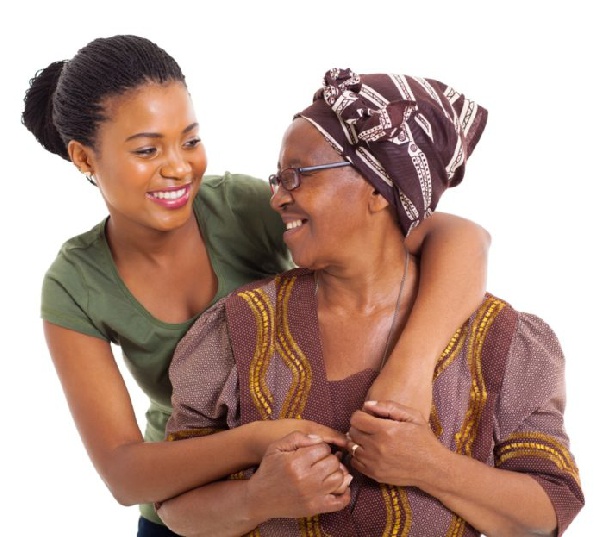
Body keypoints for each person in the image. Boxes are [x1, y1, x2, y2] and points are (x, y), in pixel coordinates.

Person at [22, 35, 491, 536]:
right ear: (85, 158)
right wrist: (256, 445)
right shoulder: (75, 285)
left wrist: (409, 373)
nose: (179, 167)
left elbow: (459, 237)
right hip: (190, 512)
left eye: (190, 140)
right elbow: (123, 472)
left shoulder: (243, 208)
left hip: (307, 506)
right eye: (146, 149)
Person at [160, 68, 584, 536]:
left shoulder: (499, 339)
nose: (277, 198)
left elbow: (550, 511)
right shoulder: (241, 326)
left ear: (379, 189)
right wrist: (257, 498)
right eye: (276, 179)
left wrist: (429, 466)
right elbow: (174, 505)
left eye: (296, 176)